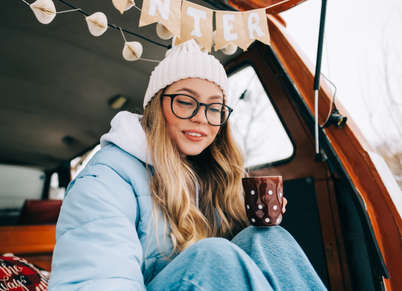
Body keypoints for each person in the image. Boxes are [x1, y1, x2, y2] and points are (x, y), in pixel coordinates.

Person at [48, 39, 327, 291]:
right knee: (213, 257)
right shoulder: (104, 182)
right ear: (156, 106)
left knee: (268, 240)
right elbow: (98, 281)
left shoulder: (206, 174)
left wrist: (247, 214)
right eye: (185, 102)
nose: (202, 118)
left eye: (214, 107)